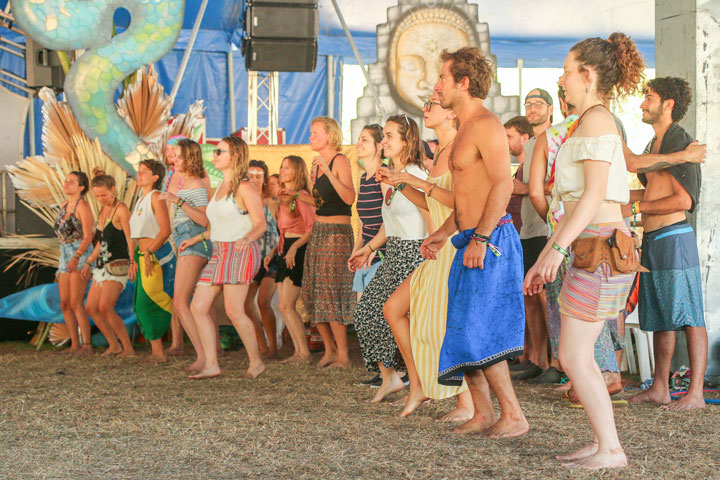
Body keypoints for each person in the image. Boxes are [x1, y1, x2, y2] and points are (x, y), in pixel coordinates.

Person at [524, 33, 646, 469]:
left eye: (566, 71)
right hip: (595, 247)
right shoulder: (591, 120)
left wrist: (554, 249)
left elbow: (594, 196)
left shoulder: (596, 121)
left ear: (587, 75)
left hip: (598, 248)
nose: (562, 79)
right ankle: (604, 444)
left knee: (575, 355)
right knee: (578, 355)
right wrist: (555, 249)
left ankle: (611, 450)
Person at [421, 47, 528, 439]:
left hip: (491, 239)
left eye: (443, 78)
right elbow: (469, 197)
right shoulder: (464, 128)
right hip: (468, 238)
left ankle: (514, 416)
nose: (437, 86)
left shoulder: (486, 124)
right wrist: (443, 232)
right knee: (463, 332)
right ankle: (483, 413)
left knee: (483, 331)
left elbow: (503, 183)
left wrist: (481, 238)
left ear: (463, 83)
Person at [382, 95, 474, 420]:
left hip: (455, 245)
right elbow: (432, 204)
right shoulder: (438, 154)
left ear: (451, 114)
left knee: (450, 324)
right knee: (393, 308)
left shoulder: (460, 148)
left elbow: (463, 202)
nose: (426, 109)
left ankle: (467, 404)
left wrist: (415, 181)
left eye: (433, 104)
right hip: (439, 245)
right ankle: (418, 384)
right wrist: (400, 184)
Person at [626, 77, 707, 410]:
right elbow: (652, 190)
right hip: (655, 239)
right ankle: (660, 388)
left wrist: (635, 207)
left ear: (668, 104)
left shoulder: (681, 141)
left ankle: (696, 395)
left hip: (675, 238)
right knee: (661, 316)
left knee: (690, 316)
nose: (643, 103)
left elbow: (684, 201)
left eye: (650, 97)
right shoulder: (653, 145)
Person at [349, 114, 428, 403]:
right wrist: (367, 249)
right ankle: (390, 377)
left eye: (390, 136)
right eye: (384, 136)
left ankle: (416, 379)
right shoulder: (387, 177)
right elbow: (388, 224)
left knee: (388, 314)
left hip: (416, 252)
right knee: (365, 312)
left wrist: (433, 255)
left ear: (408, 140)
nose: (384, 141)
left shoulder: (418, 174)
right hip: (394, 250)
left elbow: (432, 216)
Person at [181, 137, 267, 379]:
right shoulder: (219, 186)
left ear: (235, 156)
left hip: (240, 251)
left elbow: (261, 223)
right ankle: (211, 363)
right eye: (216, 151)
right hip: (219, 252)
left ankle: (256, 362)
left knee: (234, 310)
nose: (215, 154)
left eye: (220, 151)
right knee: (197, 306)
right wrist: (197, 239)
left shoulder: (244, 186)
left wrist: (248, 238)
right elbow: (219, 225)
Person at [300, 117, 356, 368]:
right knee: (313, 290)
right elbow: (322, 203)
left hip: (337, 231)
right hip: (320, 229)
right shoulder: (318, 165)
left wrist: (328, 171)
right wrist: (298, 196)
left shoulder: (339, 160)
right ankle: (329, 349)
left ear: (330, 136)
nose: (310, 137)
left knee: (332, 291)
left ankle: (343, 355)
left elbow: (348, 196)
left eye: (315, 133)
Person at [158, 139, 212, 372]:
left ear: (190, 158)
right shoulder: (184, 182)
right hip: (183, 240)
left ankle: (204, 355)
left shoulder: (196, 184)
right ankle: (205, 354)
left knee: (181, 303)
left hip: (193, 240)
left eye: (179, 156)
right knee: (184, 303)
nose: (175, 159)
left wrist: (176, 200)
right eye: (174, 156)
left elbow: (203, 219)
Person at [512, 89, 554, 380]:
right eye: (528, 104)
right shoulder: (532, 146)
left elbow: (561, 185)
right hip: (529, 229)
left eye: (538, 104)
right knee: (530, 295)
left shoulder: (557, 141)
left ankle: (555, 363)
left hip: (548, 227)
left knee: (547, 298)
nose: (532, 108)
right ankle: (536, 359)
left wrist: (525, 190)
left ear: (551, 109)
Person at [82, 171, 136, 356]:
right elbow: (101, 241)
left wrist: (133, 261)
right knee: (91, 307)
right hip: (102, 264)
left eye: (103, 195)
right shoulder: (103, 210)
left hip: (117, 264)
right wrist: (89, 261)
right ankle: (114, 344)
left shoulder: (122, 210)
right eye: (97, 196)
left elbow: (131, 238)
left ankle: (127, 347)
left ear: (113, 190)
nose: (100, 199)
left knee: (105, 307)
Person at [129, 160, 175, 363]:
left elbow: (165, 230)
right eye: (138, 172)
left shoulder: (156, 197)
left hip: (155, 256)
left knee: (150, 302)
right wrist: (133, 259)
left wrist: (149, 253)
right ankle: (156, 350)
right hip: (142, 255)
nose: (139, 175)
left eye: (144, 172)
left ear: (156, 177)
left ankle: (159, 353)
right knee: (140, 304)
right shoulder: (141, 198)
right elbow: (134, 235)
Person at [270, 155, 315, 363]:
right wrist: (274, 252)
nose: (282, 170)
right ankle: (298, 351)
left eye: (287, 167)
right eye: (281, 166)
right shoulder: (284, 198)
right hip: (284, 248)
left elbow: (310, 228)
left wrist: (294, 249)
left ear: (297, 171)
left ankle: (304, 352)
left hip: (297, 248)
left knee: (287, 304)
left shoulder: (302, 196)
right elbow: (282, 230)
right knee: (283, 305)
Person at [54, 171, 95, 354]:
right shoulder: (65, 204)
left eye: (71, 182)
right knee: (65, 302)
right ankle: (74, 343)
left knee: (76, 301)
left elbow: (89, 236)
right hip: (64, 252)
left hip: (77, 251)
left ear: (81, 187)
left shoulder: (83, 206)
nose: (67, 184)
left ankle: (86, 343)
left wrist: (77, 256)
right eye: (66, 181)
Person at [245, 159, 280, 359]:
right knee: (245, 304)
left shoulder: (272, 202)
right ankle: (261, 346)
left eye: (259, 176)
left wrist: (274, 252)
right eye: (250, 175)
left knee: (263, 301)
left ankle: (273, 346)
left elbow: (281, 230)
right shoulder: (242, 202)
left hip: (271, 257)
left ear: (265, 179)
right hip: (251, 257)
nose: (254, 179)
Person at [350, 124, 385, 302]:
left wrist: (371, 249)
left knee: (372, 314)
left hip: (382, 255)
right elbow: (364, 222)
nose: (358, 144)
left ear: (379, 146)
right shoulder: (363, 178)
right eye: (358, 139)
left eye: (364, 140)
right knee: (361, 315)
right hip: (366, 255)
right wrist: (356, 251)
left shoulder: (384, 176)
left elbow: (389, 221)